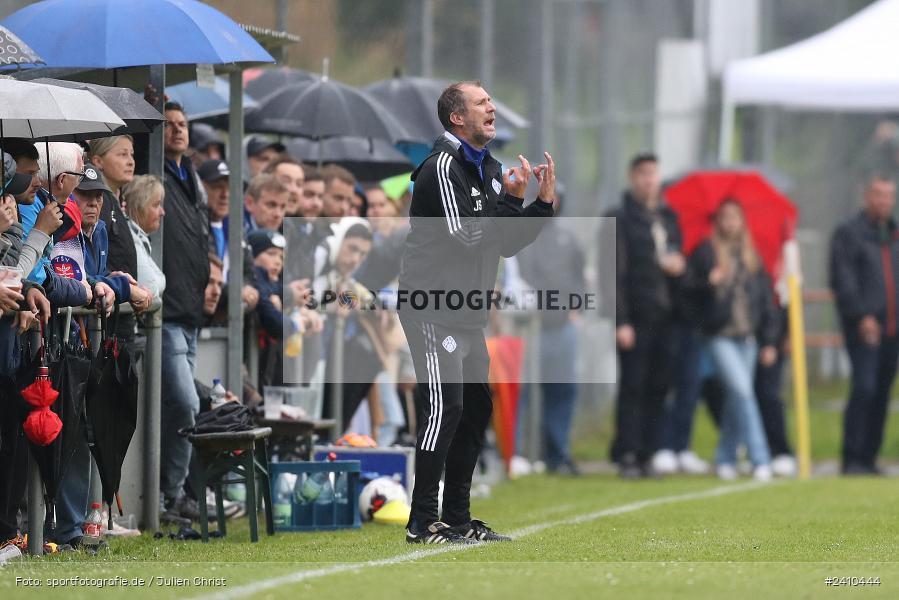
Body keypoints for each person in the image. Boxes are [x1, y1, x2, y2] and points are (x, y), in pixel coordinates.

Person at [397, 80, 555, 544]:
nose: (492, 107)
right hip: (431, 306)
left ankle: (458, 520)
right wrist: (509, 203)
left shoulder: (490, 167)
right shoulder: (441, 167)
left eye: (491, 100)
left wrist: (540, 204)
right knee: (444, 407)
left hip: (465, 310)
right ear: (457, 118)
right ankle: (422, 522)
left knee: (475, 407)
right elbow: (466, 236)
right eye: (482, 102)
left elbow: (504, 242)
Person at [685, 199, 778, 481]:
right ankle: (761, 458)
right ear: (717, 221)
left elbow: (765, 300)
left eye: (735, 217)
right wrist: (708, 282)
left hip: (747, 337)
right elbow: (686, 290)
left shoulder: (751, 256)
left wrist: (769, 340)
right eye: (725, 217)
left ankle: (725, 457)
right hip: (719, 335)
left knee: (736, 400)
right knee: (743, 392)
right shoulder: (706, 252)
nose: (730, 223)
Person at [605, 152, 684, 479]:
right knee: (633, 385)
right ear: (632, 177)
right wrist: (620, 320)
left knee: (659, 386)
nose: (649, 180)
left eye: (653, 173)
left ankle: (648, 452)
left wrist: (679, 267)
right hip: (635, 316)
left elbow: (678, 258)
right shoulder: (619, 218)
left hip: (667, 316)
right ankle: (627, 452)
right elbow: (613, 273)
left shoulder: (668, 218)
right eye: (643, 174)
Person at [160, 101, 211, 521]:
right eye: (169, 124)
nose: (178, 130)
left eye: (182, 124)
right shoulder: (156, 175)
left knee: (183, 407)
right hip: (168, 312)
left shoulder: (191, 175)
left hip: (191, 310)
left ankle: (177, 494)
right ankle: (170, 494)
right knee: (184, 403)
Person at [830, 173, 899, 475]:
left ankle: (870, 458)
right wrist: (861, 315)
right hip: (864, 328)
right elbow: (842, 279)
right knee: (864, 387)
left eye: (889, 195)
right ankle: (852, 457)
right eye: (878, 195)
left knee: (882, 392)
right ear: (867, 196)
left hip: (893, 329)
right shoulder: (849, 232)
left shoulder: (893, 233)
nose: (883, 201)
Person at [87, 135, 140, 339]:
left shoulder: (113, 201)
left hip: (119, 309)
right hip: (107, 315)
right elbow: (93, 259)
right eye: (122, 154)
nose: (131, 161)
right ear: (98, 161)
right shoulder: (102, 203)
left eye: (132, 155)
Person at [124, 175, 167, 301]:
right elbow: (150, 287)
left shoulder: (138, 237)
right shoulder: (130, 237)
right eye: (156, 205)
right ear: (138, 207)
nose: (162, 212)